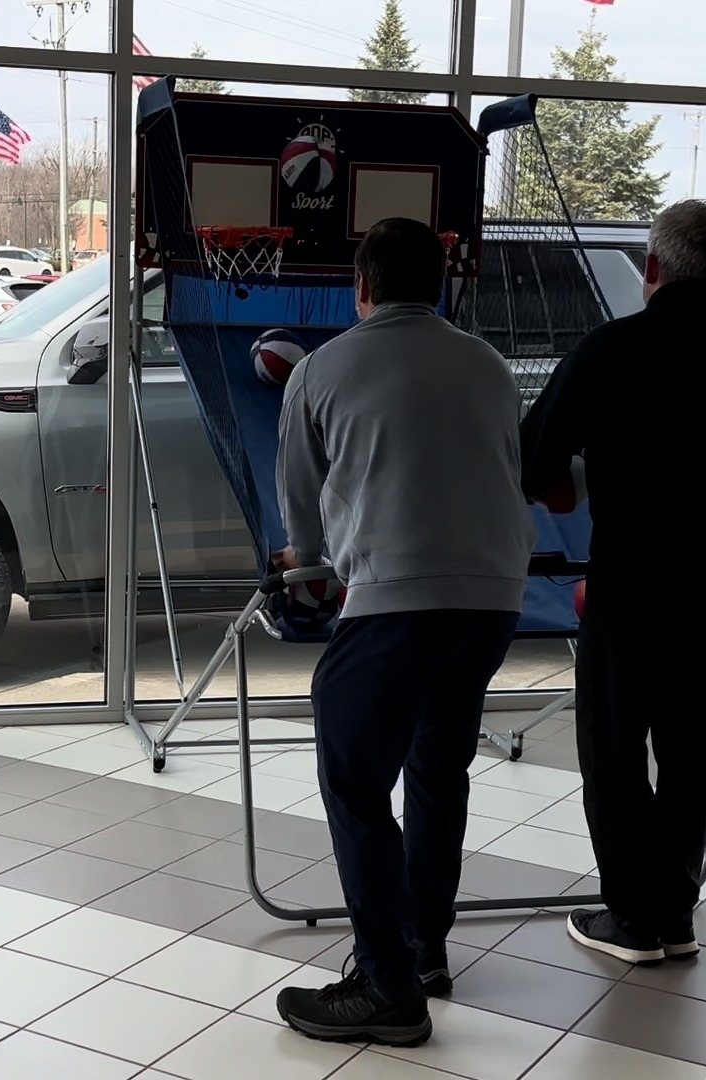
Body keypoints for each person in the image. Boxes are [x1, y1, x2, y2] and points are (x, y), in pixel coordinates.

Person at [271, 217, 535, 1045]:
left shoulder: (321, 369)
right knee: (437, 772)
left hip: (395, 601)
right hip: (490, 602)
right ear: (441, 286)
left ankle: (387, 986)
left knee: (355, 783)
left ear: (362, 286)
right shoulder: (488, 364)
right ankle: (423, 952)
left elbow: (300, 507)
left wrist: (308, 562)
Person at [520, 199, 706, 965]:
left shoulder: (612, 349)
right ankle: (674, 911)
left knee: (613, 746)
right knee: (695, 748)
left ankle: (634, 919)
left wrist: (571, 486)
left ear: (652, 268)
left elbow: (535, 460)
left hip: (637, 581)